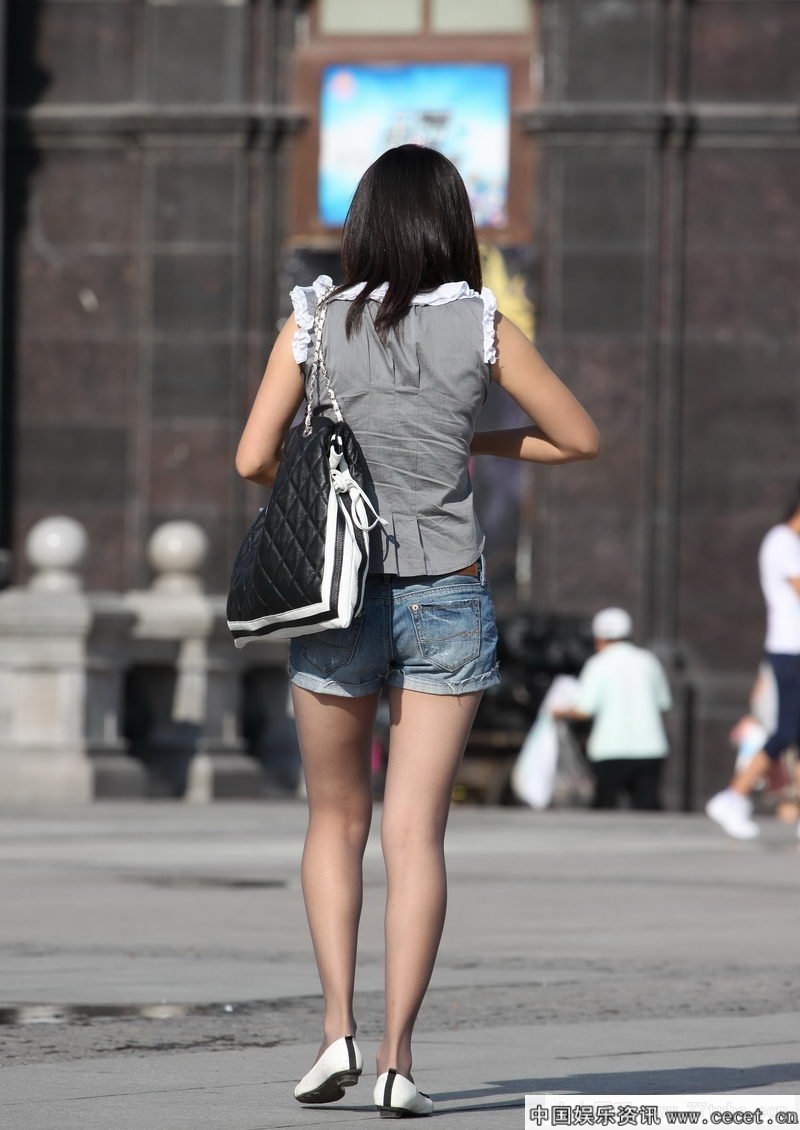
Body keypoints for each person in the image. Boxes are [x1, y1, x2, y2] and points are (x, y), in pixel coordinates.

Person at [234, 145, 599, 1117]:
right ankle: (398, 1059)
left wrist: (323, 468)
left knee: (333, 819)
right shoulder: (482, 325)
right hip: (445, 592)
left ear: (363, 223)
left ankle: (334, 1033)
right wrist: (472, 437)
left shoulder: (313, 323)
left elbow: (250, 459)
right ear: (450, 225)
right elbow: (578, 436)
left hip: (338, 594)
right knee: (414, 833)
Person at [706, 488, 800, 840]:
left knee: (794, 732)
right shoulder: (782, 541)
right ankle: (732, 796)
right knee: (786, 732)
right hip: (790, 649)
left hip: (791, 648)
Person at [553, 607, 672, 810]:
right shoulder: (648, 661)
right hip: (650, 748)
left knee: (605, 810)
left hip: (608, 749)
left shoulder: (597, 664)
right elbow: (664, 704)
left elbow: (584, 710)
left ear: (599, 638)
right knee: (647, 809)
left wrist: (559, 712)